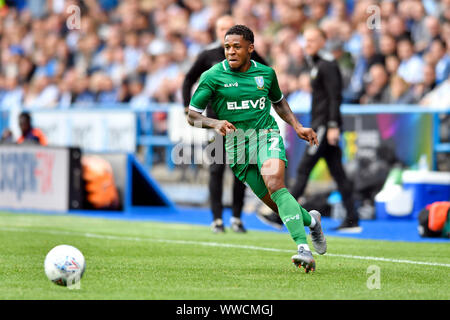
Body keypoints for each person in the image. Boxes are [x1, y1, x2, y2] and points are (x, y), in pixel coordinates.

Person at [187, 25, 326, 272]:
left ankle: (302, 248)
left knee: (275, 184)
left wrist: (297, 126)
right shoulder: (212, 76)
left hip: (266, 135)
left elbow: (279, 102)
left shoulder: (266, 74)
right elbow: (192, 115)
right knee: (276, 203)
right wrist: (214, 122)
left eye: (236, 46)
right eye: (227, 47)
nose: (230, 51)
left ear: (250, 48)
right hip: (237, 146)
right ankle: (312, 220)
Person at [182, 15, 274, 233]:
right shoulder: (207, 56)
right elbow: (188, 79)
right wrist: (187, 106)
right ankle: (216, 219)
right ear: (216, 31)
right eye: (221, 28)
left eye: (228, 27)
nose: (224, 31)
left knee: (241, 172)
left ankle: (236, 218)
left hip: (243, 124)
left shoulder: (246, 53)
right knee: (216, 169)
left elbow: (267, 73)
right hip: (217, 123)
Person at [290, 27, 361, 233]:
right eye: (306, 40)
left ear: (323, 41)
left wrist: (332, 126)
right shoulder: (318, 63)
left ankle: (282, 215)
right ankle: (352, 219)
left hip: (323, 126)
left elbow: (334, 97)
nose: (307, 44)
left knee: (304, 168)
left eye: (312, 40)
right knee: (338, 173)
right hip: (321, 123)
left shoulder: (327, 64)